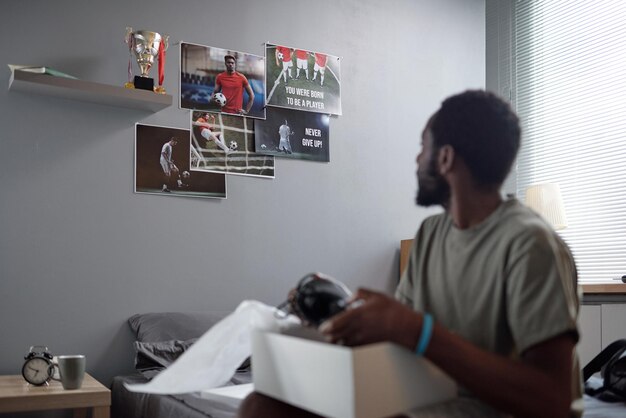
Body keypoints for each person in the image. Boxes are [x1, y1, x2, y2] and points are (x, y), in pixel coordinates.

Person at [238, 90, 582, 418]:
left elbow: (551, 400)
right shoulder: (431, 234)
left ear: (445, 158)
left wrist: (419, 332)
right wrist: (338, 324)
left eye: (423, 147)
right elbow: (402, 339)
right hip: (428, 401)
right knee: (262, 406)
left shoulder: (530, 244)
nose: (417, 159)